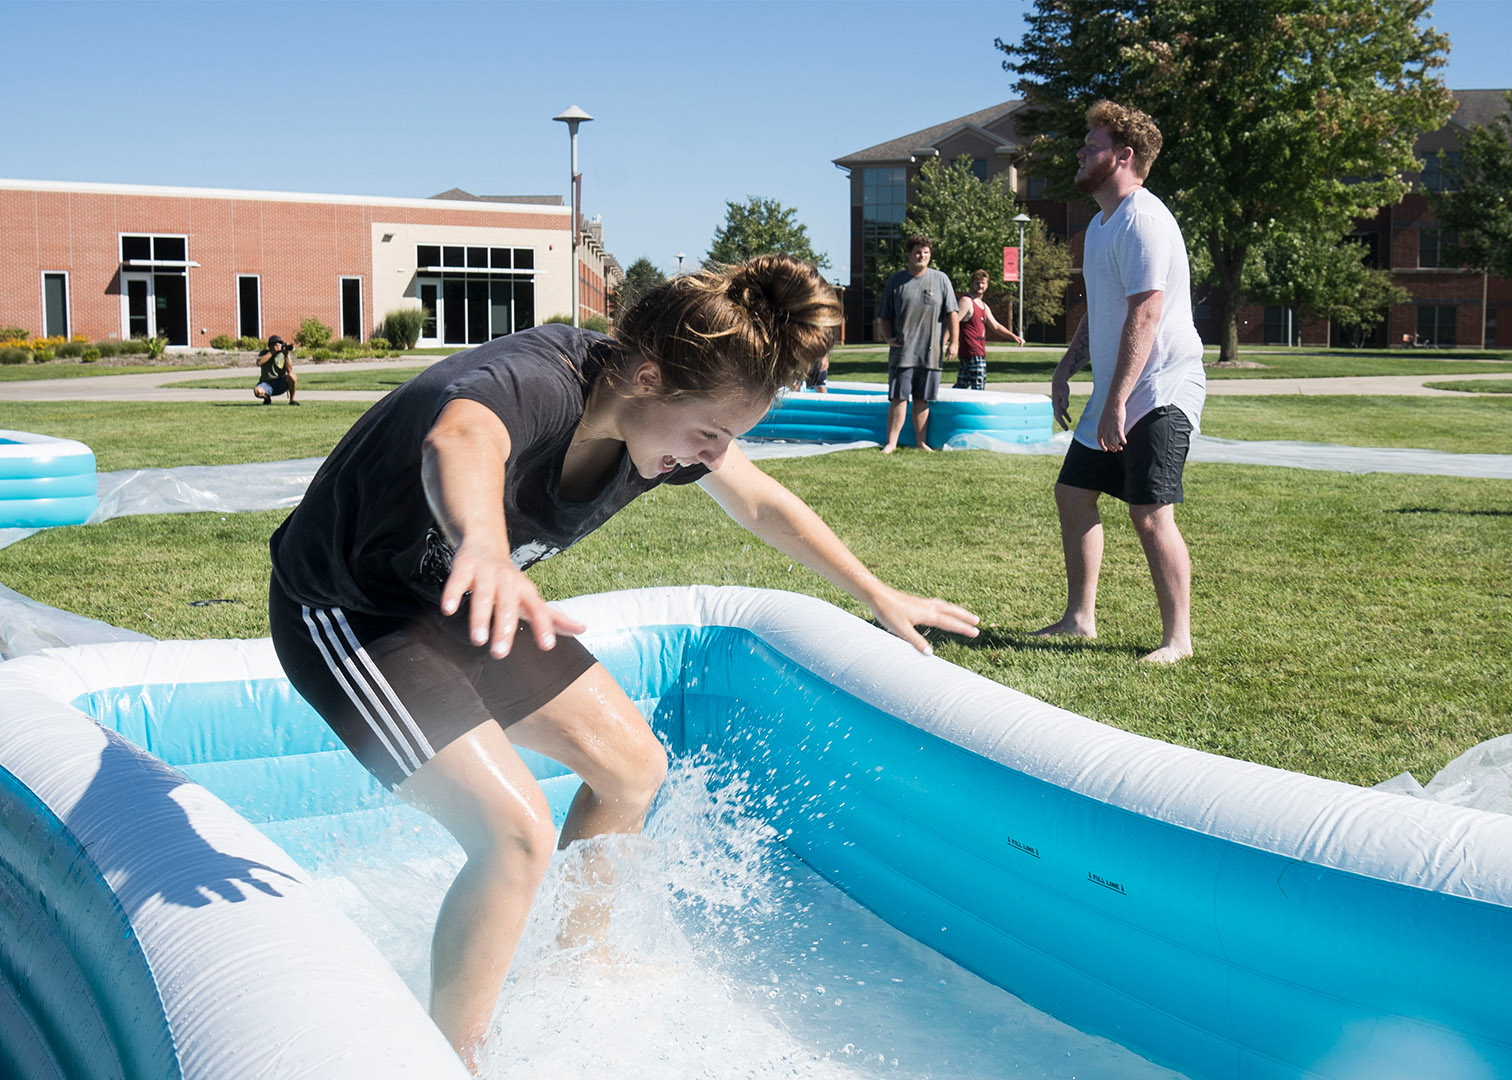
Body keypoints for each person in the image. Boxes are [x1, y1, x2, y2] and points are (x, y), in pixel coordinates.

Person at [266, 254, 979, 1070]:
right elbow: (458, 438)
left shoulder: (659, 429)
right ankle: (451, 1059)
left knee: (633, 769)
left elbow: (761, 501)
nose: (713, 456)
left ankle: (583, 963)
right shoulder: (538, 382)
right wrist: (487, 549)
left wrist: (876, 591)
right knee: (515, 834)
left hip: (472, 600)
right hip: (351, 609)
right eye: (711, 432)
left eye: (727, 440)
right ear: (646, 376)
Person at [1034, 101, 1205, 665]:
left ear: (1123, 156)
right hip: (1119, 391)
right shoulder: (1102, 224)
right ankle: (1080, 618)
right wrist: (1066, 368)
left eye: (1092, 144)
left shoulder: (1143, 220)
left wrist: (1116, 403)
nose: (1080, 153)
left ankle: (1177, 640)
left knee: (1151, 514)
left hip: (1160, 388)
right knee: (1073, 493)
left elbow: (1146, 314)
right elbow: (1104, 310)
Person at [876, 235, 958, 452]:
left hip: (930, 353)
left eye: (926, 253)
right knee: (898, 399)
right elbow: (884, 315)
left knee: (922, 400)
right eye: (918, 252)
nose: (922, 256)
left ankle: (922, 442)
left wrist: (953, 342)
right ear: (909, 255)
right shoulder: (896, 281)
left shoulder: (941, 280)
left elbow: (952, 314)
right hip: (903, 352)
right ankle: (891, 443)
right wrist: (887, 337)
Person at [953, 269, 1024, 390]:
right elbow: (953, 322)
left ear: (987, 285)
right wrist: (948, 342)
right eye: (977, 283)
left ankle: (949, 407)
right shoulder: (967, 302)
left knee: (962, 386)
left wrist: (1013, 336)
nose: (980, 286)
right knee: (978, 387)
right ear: (972, 284)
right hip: (972, 351)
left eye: (983, 283)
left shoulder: (983, 306)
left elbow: (996, 326)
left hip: (977, 352)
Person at [254, 334, 299, 405]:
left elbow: (289, 371)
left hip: (280, 382)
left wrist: (286, 355)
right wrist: (272, 352)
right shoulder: (264, 353)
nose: (278, 347)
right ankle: (267, 398)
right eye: (276, 345)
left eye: (280, 344)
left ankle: (292, 400)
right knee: (258, 391)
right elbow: (259, 363)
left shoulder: (283, 355)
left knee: (292, 376)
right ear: (270, 346)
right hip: (267, 383)